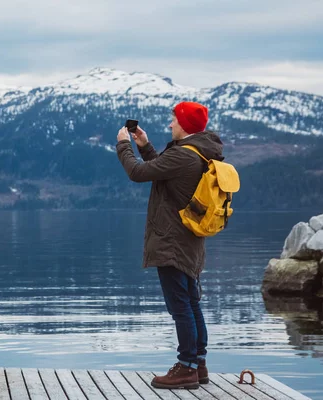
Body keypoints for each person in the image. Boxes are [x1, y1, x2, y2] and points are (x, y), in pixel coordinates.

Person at [115, 101, 224, 390]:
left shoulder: (185, 156)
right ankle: (198, 364)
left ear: (185, 124)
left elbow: (139, 173)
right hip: (188, 241)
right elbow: (161, 172)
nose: (170, 124)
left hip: (172, 241)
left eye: (173, 120)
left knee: (181, 308)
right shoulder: (197, 152)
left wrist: (124, 145)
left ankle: (186, 367)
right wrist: (145, 145)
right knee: (190, 303)